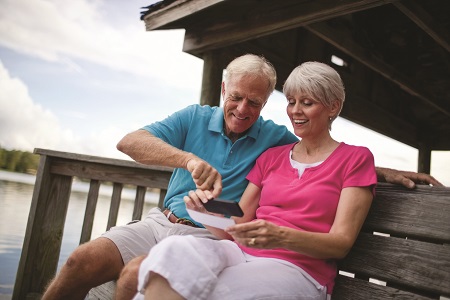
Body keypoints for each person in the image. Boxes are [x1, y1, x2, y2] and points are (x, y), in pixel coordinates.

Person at [41, 54, 442, 300]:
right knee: (91, 260)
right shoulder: (223, 132)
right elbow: (131, 142)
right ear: (222, 90)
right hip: (176, 224)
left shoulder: (283, 142)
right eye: (236, 97)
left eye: (255, 101)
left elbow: (334, 160)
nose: (243, 107)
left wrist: (378, 171)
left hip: (274, 260)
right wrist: (198, 184)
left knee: (142, 274)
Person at [132, 61, 376, 300]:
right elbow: (237, 226)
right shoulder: (272, 157)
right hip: (241, 253)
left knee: (209, 292)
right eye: (291, 102)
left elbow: (340, 244)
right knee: (173, 254)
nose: (295, 111)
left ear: (333, 107)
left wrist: (279, 236)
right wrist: (205, 212)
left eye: (307, 103)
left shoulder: (355, 159)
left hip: (299, 270)